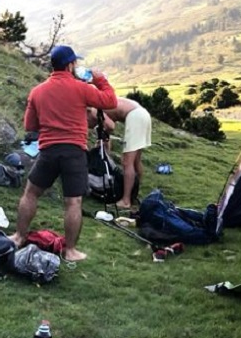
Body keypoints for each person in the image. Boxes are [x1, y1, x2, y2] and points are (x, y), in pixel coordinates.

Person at [10, 45, 117, 262]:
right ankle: (70, 251)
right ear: (70, 65)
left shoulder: (37, 91)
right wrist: (100, 79)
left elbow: (30, 124)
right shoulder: (81, 88)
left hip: (48, 151)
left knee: (31, 193)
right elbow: (110, 101)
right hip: (74, 152)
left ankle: (19, 236)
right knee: (73, 202)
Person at [99, 96, 152, 212]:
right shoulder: (102, 99)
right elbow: (107, 132)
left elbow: (110, 126)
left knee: (127, 162)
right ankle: (134, 192)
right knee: (136, 160)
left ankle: (126, 201)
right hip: (143, 114)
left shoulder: (94, 105)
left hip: (135, 117)